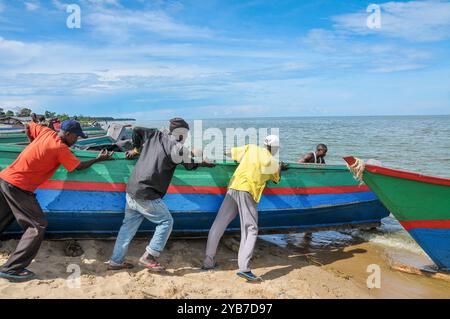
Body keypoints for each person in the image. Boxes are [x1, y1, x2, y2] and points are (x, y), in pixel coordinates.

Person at [0, 116, 113, 282]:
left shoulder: (46, 132)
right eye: (76, 137)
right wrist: (98, 159)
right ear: (67, 133)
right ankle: (12, 269)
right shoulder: (60, 148)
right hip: (19, 186)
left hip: (5, 179)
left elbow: (29, 126)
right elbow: (77, 167)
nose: (76, 140)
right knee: (37, 226)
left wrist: (33, 143)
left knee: (4, 217)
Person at [108, 118, 215, 272]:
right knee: (166, 221)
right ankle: (149, 256)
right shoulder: (178, 148)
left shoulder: (155, 134)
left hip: (131, 189)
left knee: (127, 228)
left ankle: (115, 261)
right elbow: (190, 165)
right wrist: (205, 162)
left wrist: (136, 150)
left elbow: (136, 129)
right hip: (147, 193)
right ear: (181, 133)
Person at [202, 135, 288, 282]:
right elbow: (276, 178)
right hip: (248, 191)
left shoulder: (251, 148)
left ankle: (208, 262)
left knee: (219, 223)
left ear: (264, 144)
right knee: (250, 229)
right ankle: (244, 268)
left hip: (233, 186)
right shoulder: (272, 162)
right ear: (274, 149)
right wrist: (280, 167)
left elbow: (228, 152)